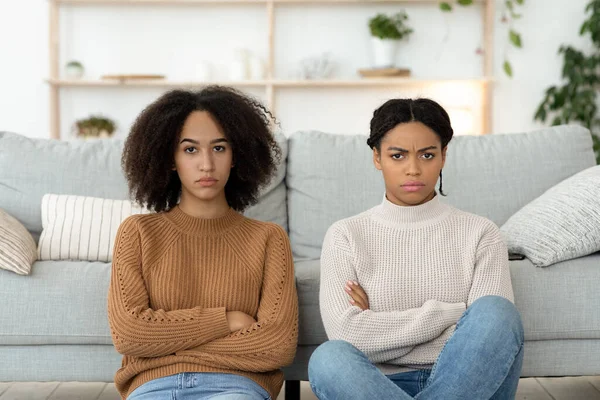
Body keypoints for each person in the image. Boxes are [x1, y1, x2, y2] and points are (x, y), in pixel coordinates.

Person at [308, 98, 524, 400]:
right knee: (329, 358)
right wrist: (454, 313)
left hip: (470, 381)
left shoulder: (481, 232)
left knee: (496, 312)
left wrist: (378, 324)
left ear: (443, 156)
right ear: (377, 158)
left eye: (427, 155)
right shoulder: (346, 235)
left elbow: (491, 332)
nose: (413, 169)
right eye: (398, 156)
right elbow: (348, 334)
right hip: (376, 386)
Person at [107, 86, 298, 400]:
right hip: (153, 388)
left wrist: (168, 343)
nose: (207, 164)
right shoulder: (138, 232)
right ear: (170, 159)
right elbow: (129, 334)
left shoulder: (268, 238)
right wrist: (227, 320)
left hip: (236, 387)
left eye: (219, 148)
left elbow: (276, 345)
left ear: (237, 155)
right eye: (190, 149)